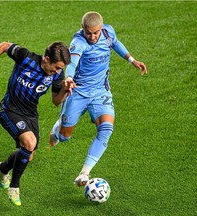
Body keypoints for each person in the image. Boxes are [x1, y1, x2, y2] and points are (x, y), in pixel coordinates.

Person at [0, 41, 74, 206]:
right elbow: (3, 46)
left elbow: (56, 101)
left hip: (30, 114)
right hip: (9, 110)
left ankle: (2, 168)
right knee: (29, 143)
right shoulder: (26, 58)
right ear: (46, 59)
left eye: (61, 69)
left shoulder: (57, 75)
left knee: (28, 156)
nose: (58, 71)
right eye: (57, 67)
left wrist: (65, 90)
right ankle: (14, 187)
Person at [49, 11, 147, 187]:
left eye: (96, 33)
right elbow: (72, 62)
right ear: (82, 29)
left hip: (101, 92)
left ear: (101, 28)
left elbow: (116, 44)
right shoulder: (78, 42)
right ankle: (58, 129)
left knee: (106, 129)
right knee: (64, 137)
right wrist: (69, 78)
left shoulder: (108, 32)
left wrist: (132, 60)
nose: (93, 36)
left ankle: (84, 173)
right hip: (78, 92)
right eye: (89, 33)